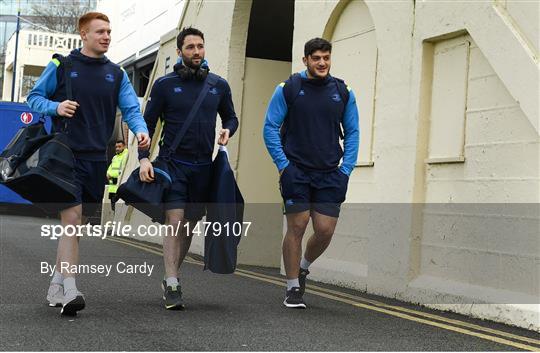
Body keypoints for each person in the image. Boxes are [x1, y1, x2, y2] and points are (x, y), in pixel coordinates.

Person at [27, 12, 150, 316]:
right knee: (71, 220)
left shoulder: (117, 73)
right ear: (83, 34)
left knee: (77, 226)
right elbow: (34, 97)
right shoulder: (62, 65)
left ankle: (55, 286)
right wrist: (56, 106)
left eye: (109, 31)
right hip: (65, 153)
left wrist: (141, 129)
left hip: (97, 157)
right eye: (100, 31)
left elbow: (131, 109)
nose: (106, 36)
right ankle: (71, 288)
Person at [139, 27, 239, 310]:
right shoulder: (164, 85)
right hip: (173, 165)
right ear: (179, 51)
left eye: (200, 46)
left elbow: (231, 117)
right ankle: (172, 282)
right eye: (191, 47)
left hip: (203, 168)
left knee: (189, 227)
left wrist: (227, 130)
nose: (196, 51)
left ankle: (172, 275)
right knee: (175, 222)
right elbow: (148, 125)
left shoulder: (218, 85)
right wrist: (144, 157)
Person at [263, 38, 359, 308]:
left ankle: (303, 266)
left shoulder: (343, 92)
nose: (322, 63)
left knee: (325, 230)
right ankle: (293, 287)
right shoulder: (289, 89)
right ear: (305, 60)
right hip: (297, 171)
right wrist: (284, 166)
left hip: (330, 173)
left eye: (326, 58)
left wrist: (346, 170)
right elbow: (270, 127)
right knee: (298, 224)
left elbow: (353, 132)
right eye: (316, 58)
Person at [106, 139, 129, 211]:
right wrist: (107, 174)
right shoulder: (115, 157)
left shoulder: (125, 154)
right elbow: (110, 167)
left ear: (124, 147)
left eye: (119, 146)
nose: (117, 148)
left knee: (116, 199)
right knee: (112, 201)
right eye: (116, 147)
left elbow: (122, 169)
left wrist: (111, 174)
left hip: (118, 180)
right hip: (112, 180)